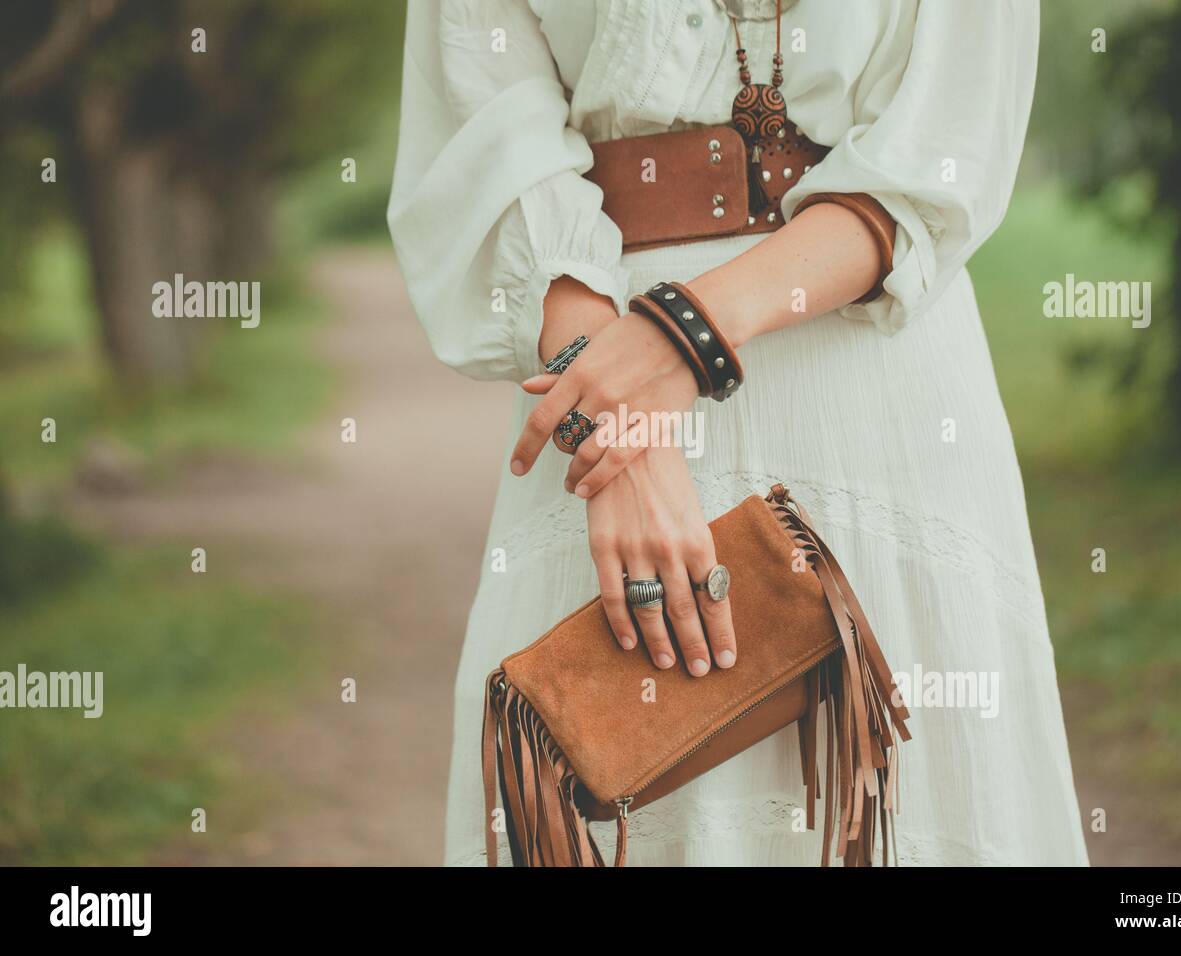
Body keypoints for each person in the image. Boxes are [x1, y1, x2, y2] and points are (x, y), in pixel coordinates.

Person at [388, 0, 1088, 866]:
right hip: (590, 365)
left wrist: (677, 340)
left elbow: (942, 145)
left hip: (871, 372)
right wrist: (621, 436)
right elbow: (490, 135)